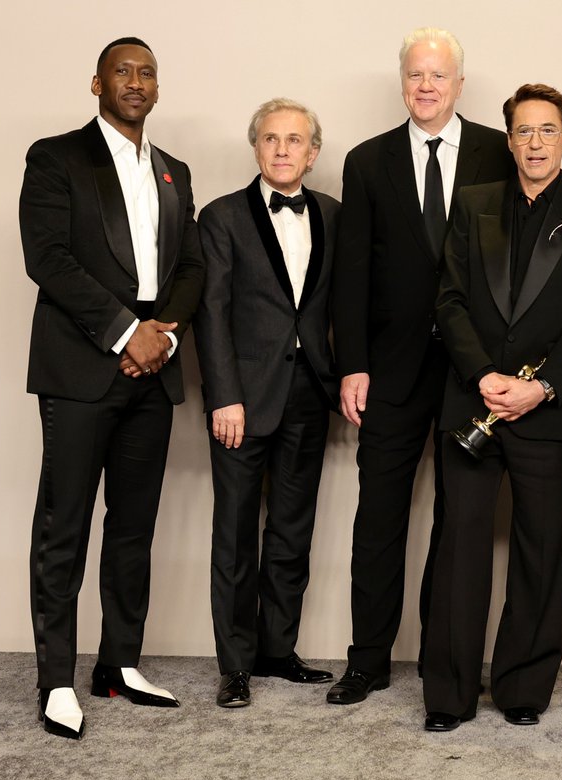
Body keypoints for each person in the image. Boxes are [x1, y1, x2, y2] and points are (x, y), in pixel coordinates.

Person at [20, 36, 204, 739]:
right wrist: (130, 333)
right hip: (81, 370)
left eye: (147, 72)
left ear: (157, 88)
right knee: (62, 528)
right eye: (123, 71)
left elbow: (191, 266)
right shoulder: (56, 157)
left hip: (152, 375)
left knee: (133, 527)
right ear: (96, 83)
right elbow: (49, 260)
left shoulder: (173, 170)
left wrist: (163, 334)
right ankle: (56, 680)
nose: (136, 81)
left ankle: (119, 663)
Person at [421, 84, 562, 731]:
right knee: (460, 551)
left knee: (541, 550)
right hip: (472, 402)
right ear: (509, 140)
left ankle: (523, 688)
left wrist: (541, 387)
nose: (535, 142)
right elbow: (449, 300)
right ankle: (448, 696)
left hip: (547, 409)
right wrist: (483, 374)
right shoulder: (473, 203)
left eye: (548, 130)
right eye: (524, 131)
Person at [328, 27, 515, 705]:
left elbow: (545, 226)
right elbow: (351, 273)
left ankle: (445, 658)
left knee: (458, 522)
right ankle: (367, 659)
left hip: (475, 371)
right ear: (401, 83)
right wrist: (352, 364)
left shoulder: (500, 151)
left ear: (460, 85)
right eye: (415, 75)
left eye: (438, 76)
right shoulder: (367, 161)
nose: (426, 86)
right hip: (391, 368)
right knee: (379, 517)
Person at [193, 99, 340, 709]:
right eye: (271, 139)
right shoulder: (222, 216)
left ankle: (277, 649)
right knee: (234, 533)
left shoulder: (333, 214)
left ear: (313, 152)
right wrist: (224, 397)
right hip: (243, 401)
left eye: (295, 140)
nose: (283, 150)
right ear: (256, 148)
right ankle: (235, 664)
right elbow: (212, 313)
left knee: (291, 530)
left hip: (309, 393)